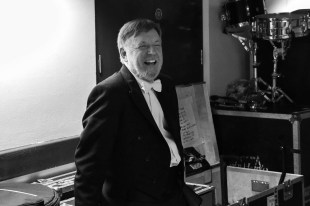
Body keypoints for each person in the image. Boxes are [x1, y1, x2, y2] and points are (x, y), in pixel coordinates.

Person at [74, 18, 193, 206]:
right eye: (142, 46)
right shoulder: (109, 92)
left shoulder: (167, 85)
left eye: (157, 44)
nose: (152, 51)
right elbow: (89, 169)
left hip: (172, 197)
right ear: (123, 54)